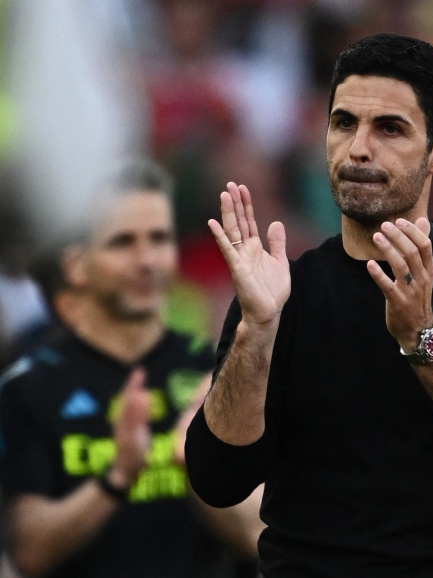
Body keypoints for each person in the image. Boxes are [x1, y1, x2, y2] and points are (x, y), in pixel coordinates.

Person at [184, 32, 433, 577]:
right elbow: (218, 478)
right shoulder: (282, 292)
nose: (359, 148)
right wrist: (257, 330)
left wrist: (424, 336)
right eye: (344, 123)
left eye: (389, 128)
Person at [0, 158, 263, 578]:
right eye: (122, 242)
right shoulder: (28, 387)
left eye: (159, 239)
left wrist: (196, 464)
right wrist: (118, 475)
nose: (147, 260)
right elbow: (29, 551)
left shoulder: (215, 372)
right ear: (75, 265)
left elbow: (256, 535)